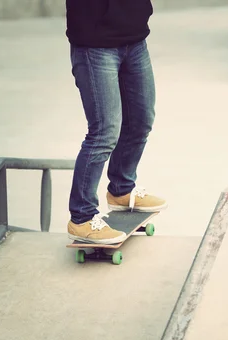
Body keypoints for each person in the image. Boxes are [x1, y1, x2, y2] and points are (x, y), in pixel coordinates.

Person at [64, 0, 167, 245]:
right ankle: (81, 217)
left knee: (140, 122)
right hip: (94, 44)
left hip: (135, 38)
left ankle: (121, 189)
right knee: (104, 132)